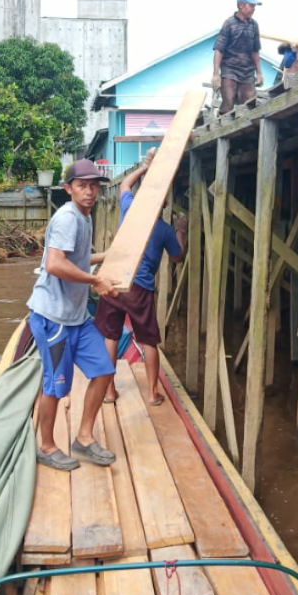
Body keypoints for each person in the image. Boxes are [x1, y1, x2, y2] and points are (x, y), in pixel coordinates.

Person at [26, 159, 121, 470]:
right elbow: (54, 264)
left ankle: (83, 438)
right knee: (56, 385)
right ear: (68, 189)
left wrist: (106, 256)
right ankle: (47, 446)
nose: (89, 191)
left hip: (77, 317)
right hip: (54, 318)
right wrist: (96, 280)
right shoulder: (68, 217)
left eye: (94, 185)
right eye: (82, 186)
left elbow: (77, 258)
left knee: (104, 370)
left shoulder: (85, 216)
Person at [95, 148, 187, 406]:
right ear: (164, 204)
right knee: (148, 340)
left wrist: (145, 167)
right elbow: (178, 257)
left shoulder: (129, 208)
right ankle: (151, 394)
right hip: (139, 288)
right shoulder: (165, 229)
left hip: (113, 280)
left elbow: (124, 184)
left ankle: (109, 392)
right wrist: (181, 230)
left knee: (110, 336)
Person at [212, 0, 264, 115]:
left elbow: (255, 51)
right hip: (229, 70)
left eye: (254, 6)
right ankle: (223, 130)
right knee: (228, 104)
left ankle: (247, 133)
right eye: (251, 6)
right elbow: (219, 49)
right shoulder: (229, 23)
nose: (253, 9)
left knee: (250, 105)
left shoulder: (254, 25)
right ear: (241, 5)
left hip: (247, 71)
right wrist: (216, 74)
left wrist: (260, 73)